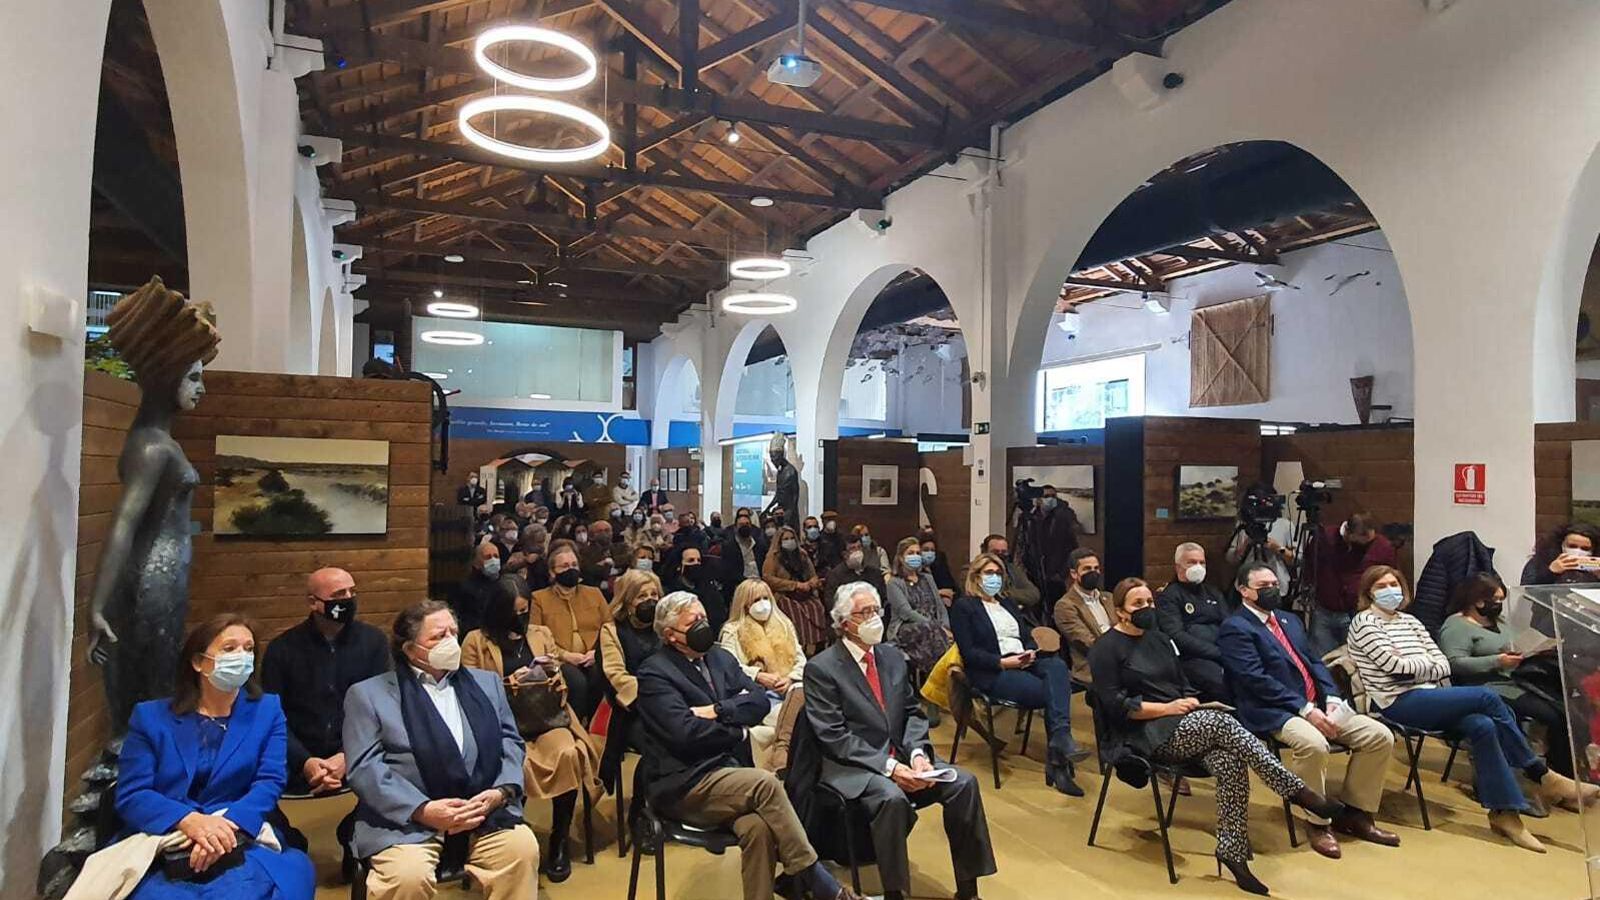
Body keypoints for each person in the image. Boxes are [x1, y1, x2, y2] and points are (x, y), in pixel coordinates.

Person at [1090, 577, 1340, 895]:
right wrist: (1168, 708)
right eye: (1138, 604)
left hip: (1184, 722)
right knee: (1220, 723)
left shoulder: (1159, 639)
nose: (1147, 608)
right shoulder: (1105, 649)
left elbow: (1181, 684)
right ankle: (1297, 791)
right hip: (1143, 732)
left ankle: (1232, 852)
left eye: (1150, 601)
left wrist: (1192, 701)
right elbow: (1116, 706)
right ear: (1120, 611)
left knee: (1230, 761)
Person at [1346, 566, 1596, 852]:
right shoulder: (1364, 623)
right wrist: (1420, 666)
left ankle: (1505, 815)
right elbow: (1394, 666)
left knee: (1482, 725)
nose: (1390, 590)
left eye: (1394, 584)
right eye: (1381, 586)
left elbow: (1441, 663)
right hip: (1396, 701)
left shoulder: (1410, 621)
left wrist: (1415, 666)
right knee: (1487, 697)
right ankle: (1540, 773)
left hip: (1431, 695)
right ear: (1369, 593)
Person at [634, 592, 859, 900]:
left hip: (729, 772)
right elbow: (684, 733)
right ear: (671, 634)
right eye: (693, 623)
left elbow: (757, 701)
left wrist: (718, 710)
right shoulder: (655, 673)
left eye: (703, 618)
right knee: (765, 784)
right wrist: (738, 731)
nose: (702, 626)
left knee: (758, 828)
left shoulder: (719, 657)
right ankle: (821, 884)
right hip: (684, 783)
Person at [805, 582, 996, 900]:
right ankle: (896, 892)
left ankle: (968, 890)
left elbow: (912, 712)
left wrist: (919, 753)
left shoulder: (892, 657)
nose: (874, 618)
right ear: (844, 622)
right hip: (854, 766)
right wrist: (891, 767)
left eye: (876, 610)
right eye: (864, 613)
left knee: (964, 783)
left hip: (902, 756)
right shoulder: (821, 668)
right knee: (891, 797)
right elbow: (834, 736)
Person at [343, 600, 538, 899]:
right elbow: (365, 768)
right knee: (407, 877)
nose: (450, 641)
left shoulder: (487, 684)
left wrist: (501, 792)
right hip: (406, 820)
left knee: (521, 850)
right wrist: (423, 810)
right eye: (438, 636)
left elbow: (510, 742)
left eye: (453, 633)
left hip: (482, 811)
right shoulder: (369, 695)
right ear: (410, 649)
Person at [114, 614, 315, 899]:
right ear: (198, 662)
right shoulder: (150, 717)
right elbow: (133, 793)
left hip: (239, 831)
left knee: (257, 887)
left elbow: (269, 781)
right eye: (229, 648)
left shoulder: (267, 710)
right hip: (166, 835)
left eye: (248, 649)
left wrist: (222, 831)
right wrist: (190, 821)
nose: (241, 656)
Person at [1218, 564, 1399, 859]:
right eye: (1263, 586)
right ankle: (1317, 821)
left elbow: (1315, 661)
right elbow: (1254, 680)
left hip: (1317, 705)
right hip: (1275, 710)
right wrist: (1304, 709)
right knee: (1314, 744)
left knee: (1379, 735)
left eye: (1275, 584)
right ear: (1244, 591)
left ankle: (1356, 813)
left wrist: (1332, 698)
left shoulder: (1289, 620)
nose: (1272, 590)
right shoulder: (1235, 628)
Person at [461, 576, 601, 882]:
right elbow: (470, 692)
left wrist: (550, 674)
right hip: (501, 724)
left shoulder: (541, 634)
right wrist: (510, 683)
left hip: (544, 717)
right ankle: (512, 835)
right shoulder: (476, 641)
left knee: (567, 753)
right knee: (517, 763)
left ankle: (560, 838)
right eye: (513, 612)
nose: (520, 618)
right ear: (498, 611)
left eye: (524, 611)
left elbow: (560, 685)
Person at [950, 552, 1083, 795]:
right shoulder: (964, 607)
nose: (995, 578)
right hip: (992, 669)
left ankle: (1060, 743)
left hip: (1023, 660)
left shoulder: (1008, 603)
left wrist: (1030, 651)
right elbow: (969, 653)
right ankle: (1059, 760)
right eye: (989, 573)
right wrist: (1003, 663)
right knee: (1053, 693)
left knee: (1057, 667)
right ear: (976, 577)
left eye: (998, 573)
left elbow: (1025, 636)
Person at [1440, 572, 1584, 784]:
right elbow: (1455, 663)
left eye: (1501, 600)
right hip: (1485, 685)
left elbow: (1514, 643)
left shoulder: (1499, 621)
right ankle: (1550, 777)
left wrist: (1534, 649)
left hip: (1516, 679)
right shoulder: (1456, 626)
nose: (1498, 604)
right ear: (1476, 599)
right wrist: (1497, 661)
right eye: (1494, 600)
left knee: (1566, 712)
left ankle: (1565, 772)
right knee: (1551, 716)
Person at [719, 578, 807, 764]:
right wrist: (758, 675)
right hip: (759, 694)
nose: (762, 604)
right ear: (744, 604)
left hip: (790, 689)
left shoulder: (784, 624)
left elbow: (801, 659)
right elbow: (729, 666)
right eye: (756, 600)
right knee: (794, 719)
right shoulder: (732, 630)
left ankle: (785, 752)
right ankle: (782, 754)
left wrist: (790, 678)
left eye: (765, 598)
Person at [597, 569, 664, 794]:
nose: (650, 601)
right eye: (641, 596)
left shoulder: (665, 627)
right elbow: (616, 676)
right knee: (661, 746)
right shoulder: (612, 631)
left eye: (654, 595)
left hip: (672, 704)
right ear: (627, 601)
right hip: (632, 711)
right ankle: (642, 805)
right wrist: (655, 697)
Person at [533, 540, 611, 722]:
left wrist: (597, 652)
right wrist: (566, 655)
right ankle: (574, 725)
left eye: (574, 565)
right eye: (565, 566)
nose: (571, 569)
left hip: (593, 655)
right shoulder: (539, 598)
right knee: (577, 682)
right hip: (560, 659)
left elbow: (609, 627)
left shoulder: (594, 593)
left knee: (598, 676)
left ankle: (594, 726)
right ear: (552, 572)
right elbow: (536, 636)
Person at [1311, 512, 1398, 657]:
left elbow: (1391, 577)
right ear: (1350, 535)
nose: (1368, 544)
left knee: (1357, 660)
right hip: (1324, 610)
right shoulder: (1325, 538)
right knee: (1322, 660)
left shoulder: (1383, 547)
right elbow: (1310, 565)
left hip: (1359, 614)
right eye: (1364, 541)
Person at [1154, 542, 1231, 702]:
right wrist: (1217, 653)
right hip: (1192, 658)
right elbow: (1176, 635)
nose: (1198, 567)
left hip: (1224, 650)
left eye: (1202, 562)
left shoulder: (1213, 592)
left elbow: (1229, 624)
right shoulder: (1169, 596)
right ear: (1178, 567)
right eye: (1192, 562)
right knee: (1221, 683)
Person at [884, 537, 952, 691]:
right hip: (907, 627)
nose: (915, 556)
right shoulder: (894, 583)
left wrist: (945, 626)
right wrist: (936, 627)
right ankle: (939, 682)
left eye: (917, 553)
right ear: (901, 557)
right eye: (910, 553)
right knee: (931, 632)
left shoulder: (928, 578)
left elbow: (940, 606)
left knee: (939, 635)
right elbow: (906, 612)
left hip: (934, 628)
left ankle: (937, 683)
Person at [764, 525, 831, 655]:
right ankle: (798, 646)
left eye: (792, 538)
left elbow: (812, 574)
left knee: (816, 607)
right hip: (784, 594)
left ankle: (816, 645)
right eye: (786, 539)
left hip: (805, 593)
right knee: (794, 611)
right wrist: (794, 585)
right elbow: (768, 578)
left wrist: (812, 582)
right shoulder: (772, 558)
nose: (789, 541)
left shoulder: (802, 555)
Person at [1053, 547, 1115, 685]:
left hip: (1124, 660)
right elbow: (1086, 642)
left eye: (1096, 568)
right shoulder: (1065, 605)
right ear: (1074, 574)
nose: (1093, 572)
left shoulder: (1109, 598)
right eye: (1087, 569)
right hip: (1093, 667)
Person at [1225, 484, 1296, 589]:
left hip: (1276, 584)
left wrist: (1278, 548)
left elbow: (1296, 560)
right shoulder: (1244, 525)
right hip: (1248, 584)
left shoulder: (1285, 525)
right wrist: (1245, 545)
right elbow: (1230, 559)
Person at [824, 533, 888, 619]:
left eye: (859, 547)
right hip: (849, 618)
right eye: (852, 548)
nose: (857, 551)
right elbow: (831, 603)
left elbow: (883, 597)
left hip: (874, 616)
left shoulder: (874, 573)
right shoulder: (835, 575)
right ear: (844, 554)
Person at [669, 545, 729, 633]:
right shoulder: (672, 593)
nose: (696, 563)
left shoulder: (710, 589)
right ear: (679, 566)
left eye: (699, 560)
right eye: (691, 560)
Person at [1520, 522, 1600, 586]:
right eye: (1572, 546)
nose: (1578, 551)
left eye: (1585, 548)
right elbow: (1527, 590)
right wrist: (1551, 572)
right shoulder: (1539, 562)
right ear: (1561, 544)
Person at [977, 534, 1041, 613]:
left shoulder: (1013, 570)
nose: (1000, 555)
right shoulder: (972, 571)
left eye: (1004, 552)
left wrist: (1006, 593)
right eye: (995, 552)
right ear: (984, 551)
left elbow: (1034, 594)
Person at [452, 541, 501, 636]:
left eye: (496, 556)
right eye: (488, 557)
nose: (493, 560)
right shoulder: (465, 588)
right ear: (476, 563)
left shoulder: (504, 583)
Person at [720, 509, 770, 589]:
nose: (745, 526)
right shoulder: (729, 547)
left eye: (747, 524)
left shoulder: (759, 545)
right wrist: (748, 583)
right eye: (741, 524)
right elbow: (729, 572)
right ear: (736, 527)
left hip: (760, 583)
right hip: (740, 585)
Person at [918, 529, 958, 602]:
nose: (929, 553)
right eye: (926, 550)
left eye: (932, 550)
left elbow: (952, 589)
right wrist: (939, 593)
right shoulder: (915, 571)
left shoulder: (939, 567)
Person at [578, 518, 617, 588]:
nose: (604, 533)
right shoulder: (585, 552)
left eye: (607, 530)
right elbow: (586, 571)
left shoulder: (620, 548)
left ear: (612, 532)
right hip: (595, 588)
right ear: (592, 535)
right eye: (600, 531)